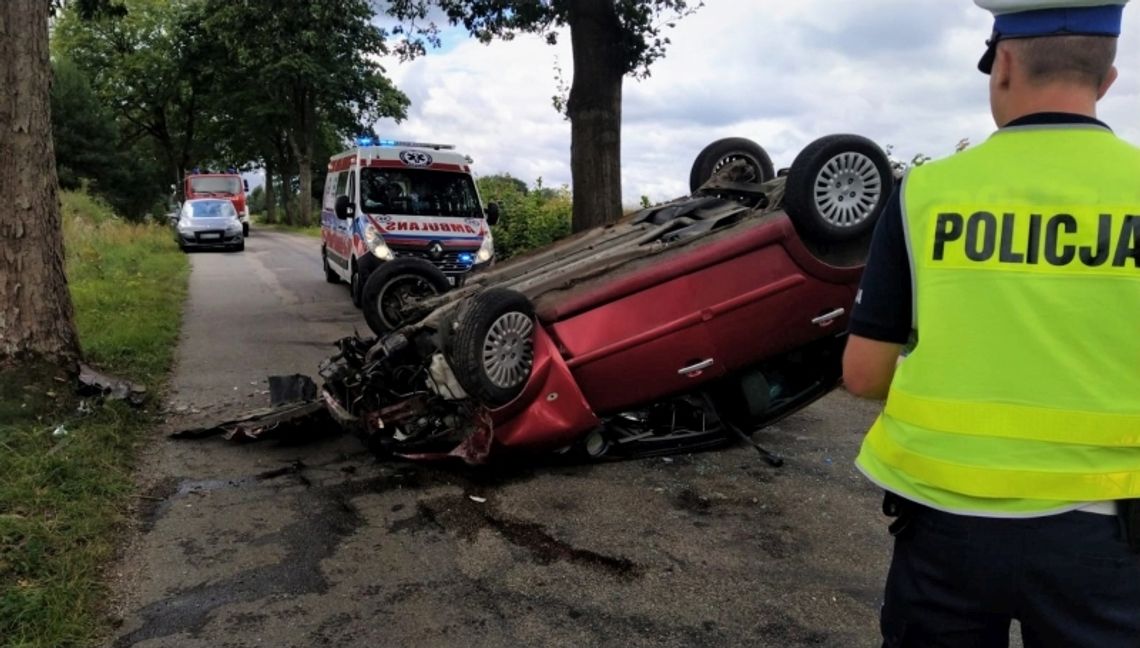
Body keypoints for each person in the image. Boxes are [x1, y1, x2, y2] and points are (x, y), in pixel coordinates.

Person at [842, 1, 1140, 646]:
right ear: (1107, 77)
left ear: (1002, 63)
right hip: (1114, 536)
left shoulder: (927, 192)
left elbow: (864, 374)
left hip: (943, 531)